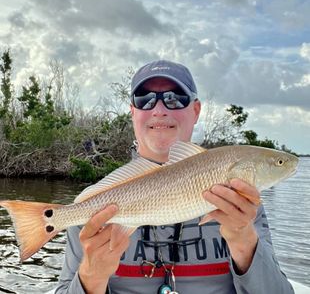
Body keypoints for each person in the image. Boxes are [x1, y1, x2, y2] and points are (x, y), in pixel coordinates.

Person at [55, 60, 294, 293]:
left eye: (174, 98)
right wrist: (90, 278)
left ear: (196, 109)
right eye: (145, 100)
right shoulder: (92, 208)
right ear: (132, 112)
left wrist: (245, 243)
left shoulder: (244, 207)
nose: (159, 110)